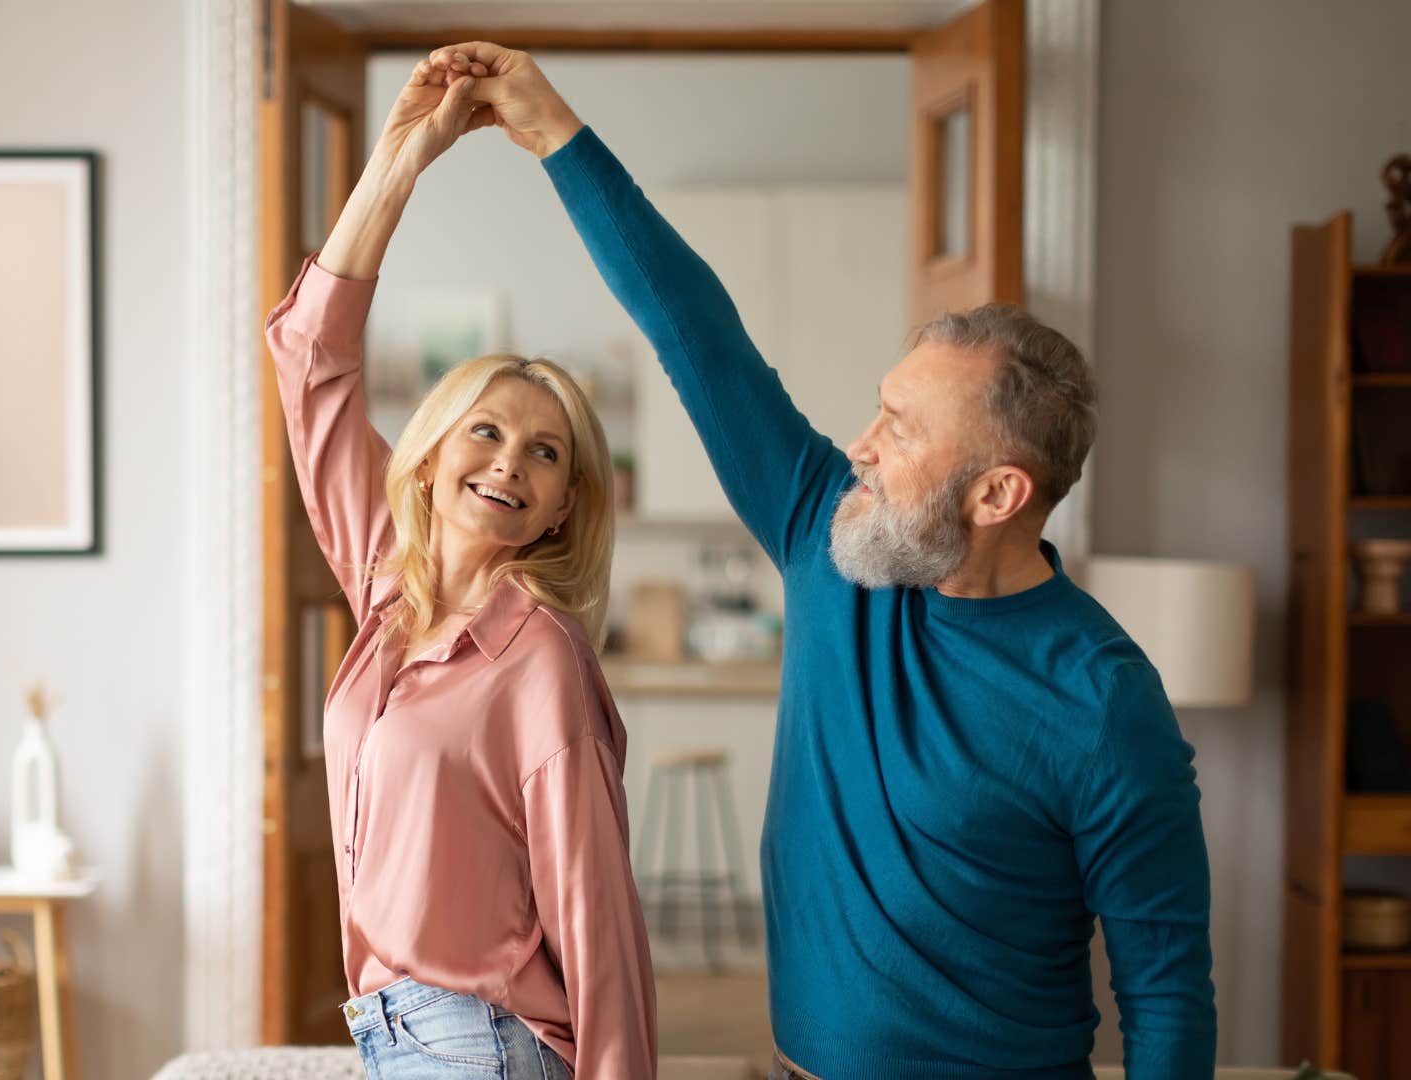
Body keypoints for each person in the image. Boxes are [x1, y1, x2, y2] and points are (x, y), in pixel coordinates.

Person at [425, 42, 1217, 1080]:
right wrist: (552, 131)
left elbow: (1167, 996)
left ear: (997, 495)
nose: (862, 444)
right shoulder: (827, 536)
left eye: (900, 426)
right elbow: (693, 329)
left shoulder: (1106, 703)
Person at [263, 60, 657, 1079]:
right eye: (486, 431)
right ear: (432, 454)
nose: (509, 464)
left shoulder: (540, 660)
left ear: (566, 503)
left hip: (479, 1043)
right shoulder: (389, 586)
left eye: (546, 453)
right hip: (397, 1036)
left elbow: (595, 907)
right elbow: (310, 360)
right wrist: (401, 161)